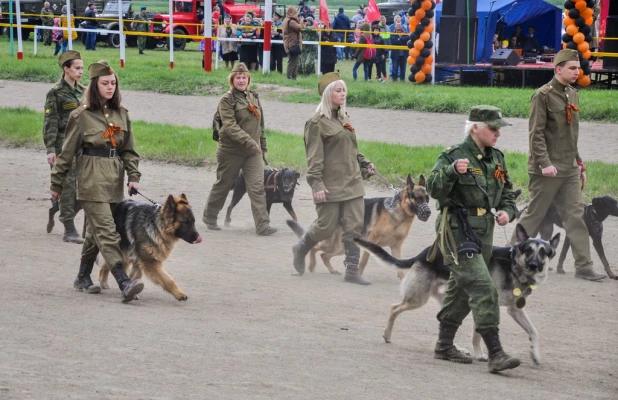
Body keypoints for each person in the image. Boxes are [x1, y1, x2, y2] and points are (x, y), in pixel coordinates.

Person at [426, 105, 520, 372]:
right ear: (475, 127)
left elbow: (508, 193)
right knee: (483, 287)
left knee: (462, 289)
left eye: (499, 128)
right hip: (457, 230)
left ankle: (444, 344)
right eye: (493, 127)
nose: (498, 133)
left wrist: (507, 212)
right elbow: (434, 189)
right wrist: (452, 171)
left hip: (484, 231)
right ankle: (496, 352)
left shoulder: (497, 158)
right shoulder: (453, 156)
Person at [50, 61, 144, 301]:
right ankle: (123, 282)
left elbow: (129, 150)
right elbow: (67, 153)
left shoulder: (121, 113)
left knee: (94, 232)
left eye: (113, 83)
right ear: (94, 85)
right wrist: (56, 184)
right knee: (107, 232)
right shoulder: (80, 116)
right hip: (91, 179)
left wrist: (133, 176)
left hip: (113, 179)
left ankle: (82, 276)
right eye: (105, 83)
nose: (110, 87)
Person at [510, 49, 607, 281]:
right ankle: (507, 257)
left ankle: (584, 266)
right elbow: (536, 134)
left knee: (575, 216)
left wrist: (579, 162)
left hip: (569, 167)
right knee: (534, 214)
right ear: (558, 69)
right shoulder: (542, 96)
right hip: (547, 170)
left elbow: (570, 135)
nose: (577, 72)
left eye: (578, 68)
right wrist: (544, 163)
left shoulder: (573, 94)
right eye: (572, 68)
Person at [291, 72, 376, 285]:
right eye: (338, 90)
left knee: (354, 226)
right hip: (329, 184)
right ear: (328, 94)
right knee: (325, 226)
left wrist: (365, 163)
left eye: (344, 89)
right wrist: (316, 183)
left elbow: (352, 149)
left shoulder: (344, 117)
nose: (343, 93)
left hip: (353, 182)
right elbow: (314, 158)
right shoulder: (316, 123)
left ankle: (352, 271)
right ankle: (301, 248)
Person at [202, 63, 276, 236]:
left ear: (248, 79)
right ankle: (210, 217)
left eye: (244, 77)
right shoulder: (227, 100)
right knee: (224, 185)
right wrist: (249, 140)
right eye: (238, 77)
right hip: (230, 151)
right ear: (232, 79)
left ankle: (262, 225)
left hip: (253, 152)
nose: (241, 80)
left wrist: (263, 146)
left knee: (257, 187)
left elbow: (261, 126)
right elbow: (229, 126)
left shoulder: (254, 96)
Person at [44, 50, 86, 244]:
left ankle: (57, 206)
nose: (81, 72)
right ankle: (69, 230)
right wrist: (50, 149)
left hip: (82, 145)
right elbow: (50, 121)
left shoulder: (83, 91)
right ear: (66, 69)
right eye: (77, 68)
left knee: (84, 188)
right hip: (62, 145)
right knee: (68, 186)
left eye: (82, 68)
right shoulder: (55, 92)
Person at [283, 6, 303, 80]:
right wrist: (301, 21)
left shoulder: (286, 20)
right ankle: (290, 77)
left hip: (288, 43)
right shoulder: (291, 21)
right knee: (293, 62)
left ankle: (293, 77)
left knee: (294, 61)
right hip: (292, 43)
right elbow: (299, 28)